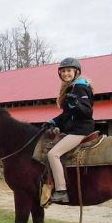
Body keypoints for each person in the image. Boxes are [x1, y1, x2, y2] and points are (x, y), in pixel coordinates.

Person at [46, 57, 95, 203]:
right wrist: (54, 121)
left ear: (76, 72)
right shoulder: (71, 88)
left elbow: (87, 111)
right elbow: (67, 115)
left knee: (53, 154)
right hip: (74, 129)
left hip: (80, 130)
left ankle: (61, 191)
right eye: (63, 71)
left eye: (69, 70)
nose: (66, 73)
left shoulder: (80, 87)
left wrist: (76, 105)